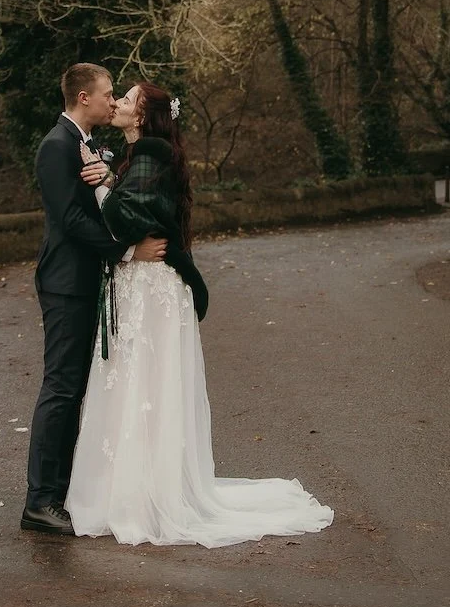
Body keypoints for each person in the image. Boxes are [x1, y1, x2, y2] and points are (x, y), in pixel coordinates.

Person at [66, 80, 334, 547]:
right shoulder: (137, 155)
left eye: (126, 99)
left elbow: (129, 219)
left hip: (153, 290)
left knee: (146, 385)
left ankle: (146, 496)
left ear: (144, 116)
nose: (117, 103)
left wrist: (105, 186)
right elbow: (134, 221)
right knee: (135, 383)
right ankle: (132, 491)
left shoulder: (151, 155)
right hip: (141, 286)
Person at [21, 63, 166, 536]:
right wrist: (129, 251)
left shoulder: (87, 145)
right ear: (84, 98)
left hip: (87, 282)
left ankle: (58, 494)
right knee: (61, 388)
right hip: (65, 283)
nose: (112, 101)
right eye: (107, 94)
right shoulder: (56, 147)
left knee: (76, 388)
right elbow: (70, 221)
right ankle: (39, 502)